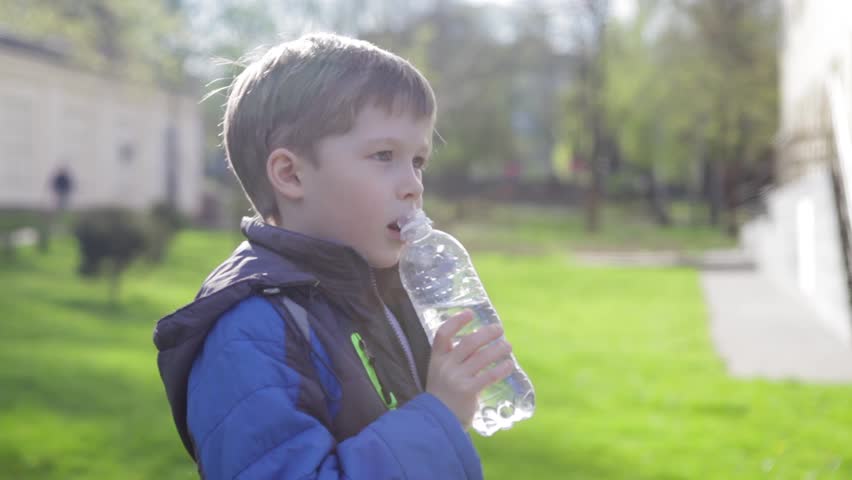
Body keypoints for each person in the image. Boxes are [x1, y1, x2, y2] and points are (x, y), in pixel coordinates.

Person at [153, 33, 514, 480]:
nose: (413, 185)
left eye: (417, 161)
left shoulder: (371, 292)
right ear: (291, 174)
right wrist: (437, 417)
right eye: (384, 155)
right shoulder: (250, 330)